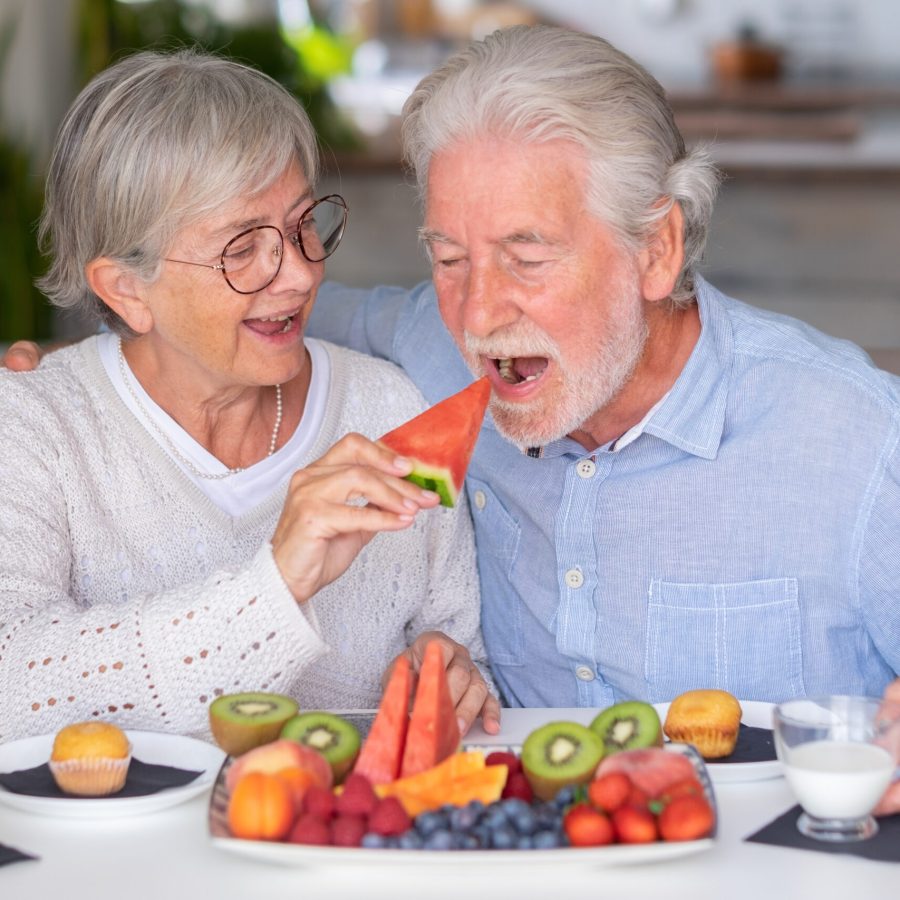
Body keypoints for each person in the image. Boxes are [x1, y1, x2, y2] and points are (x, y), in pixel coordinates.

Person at [5, 30, 898, 731]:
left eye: (527, 254)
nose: (477, 316)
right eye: (449, 257)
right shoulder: (418, 354)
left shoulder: (856, 442)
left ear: (656, 249)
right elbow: (241, 319)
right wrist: (80, 366)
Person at [0, 48, 499, 744]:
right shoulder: (33, 425)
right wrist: (276, 585)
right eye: (242, 249)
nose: (297, 275)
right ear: (125, 290)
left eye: (303, 227)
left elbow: (456, 641)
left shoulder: (392, 409)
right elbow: (12, 679)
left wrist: (449, 671)